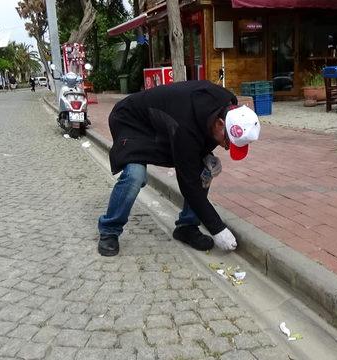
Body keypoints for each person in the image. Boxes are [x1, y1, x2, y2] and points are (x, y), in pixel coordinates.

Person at [97, 80, 260, 257]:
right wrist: (218, 228)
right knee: (135, 174)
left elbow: (202, 135)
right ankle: (109, 230)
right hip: (130, 120)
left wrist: (206, 155)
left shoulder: (228, 104)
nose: (227, 148)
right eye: (228, 142)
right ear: (220, 124)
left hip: (163, 121)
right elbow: (188, 184)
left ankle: (187, 227)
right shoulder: (185, 128)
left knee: (203, 170)